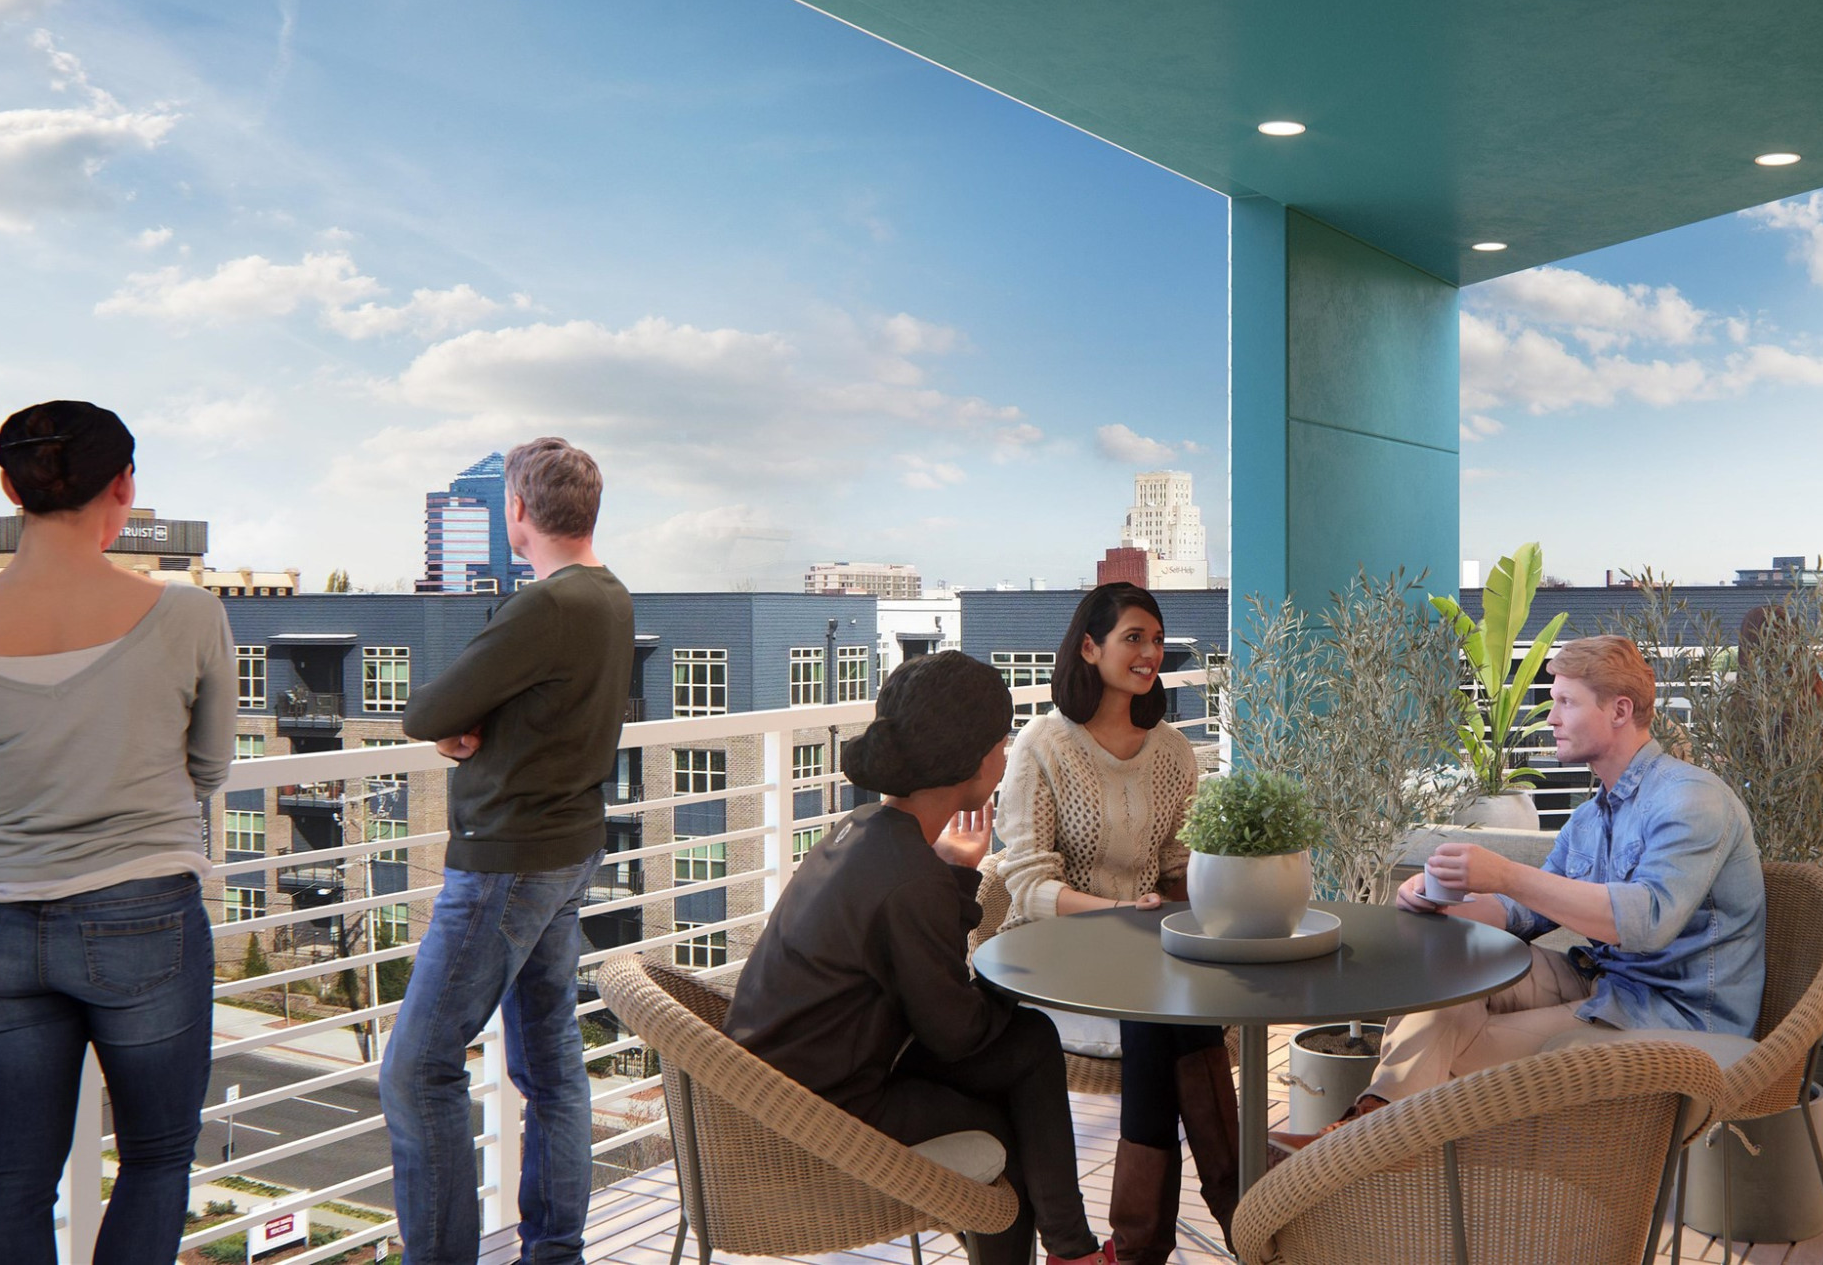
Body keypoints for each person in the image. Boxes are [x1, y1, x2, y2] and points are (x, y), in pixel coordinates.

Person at [0, 401, 235, 1264]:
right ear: (124, 487)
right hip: (142, 916)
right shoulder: (191, 617)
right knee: (157, 1158)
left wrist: (24, 833)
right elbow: (208, 767)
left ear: (9, 486)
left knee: (12, 1176)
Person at [1278, 635, 1765, 1148]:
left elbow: (1645, 923)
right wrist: (1444, 904)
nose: (1550, 717)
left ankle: (1352, 1147)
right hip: (1599, 983)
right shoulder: (1591, 815)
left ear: (1619, 711)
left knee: (1450, 1053)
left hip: (1673, 1015)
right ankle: (1361, 1139)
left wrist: (1507, 873)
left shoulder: (1690, 800)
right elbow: (1520, 914)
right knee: (1446, 966)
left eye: (1565, 703)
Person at [727, 653, 1114, 1265]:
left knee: (1030, 1042)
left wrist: (958, 870)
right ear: (974, 758)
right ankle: (1072, 1249)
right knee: (1006, 1113)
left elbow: (922, 979)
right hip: (819, 1115)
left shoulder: (863, 832)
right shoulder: (910, 878)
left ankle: (1072, 1250)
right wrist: (1007, 991)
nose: (1008, 749)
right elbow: (954, 1034)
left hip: (773, 1086)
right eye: (1003, 738)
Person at [380, 438, 633, 1265]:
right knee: (551, 1064)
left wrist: (460, 735)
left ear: (517, 512)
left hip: (507, 860)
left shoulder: (549, 606)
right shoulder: (610, 596)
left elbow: (426, 711)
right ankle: (554, 1252)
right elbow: (543, 711)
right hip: (567, 848)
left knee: (417, 1070)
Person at [984, 583, 1233, 1263]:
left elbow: (1179, 866)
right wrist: (1121, 911)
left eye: (1157, 639)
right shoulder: (1043, 745)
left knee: (1170, 1010)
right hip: (1055, 957)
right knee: (1165, 1014)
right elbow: (1029, 886)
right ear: (1089, 647)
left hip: (1144, 952)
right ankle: (1242, 1211)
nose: (1150, 652)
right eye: (1133, 637)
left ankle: (1138, 1245)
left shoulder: (1173, 750)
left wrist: (1216, 902)